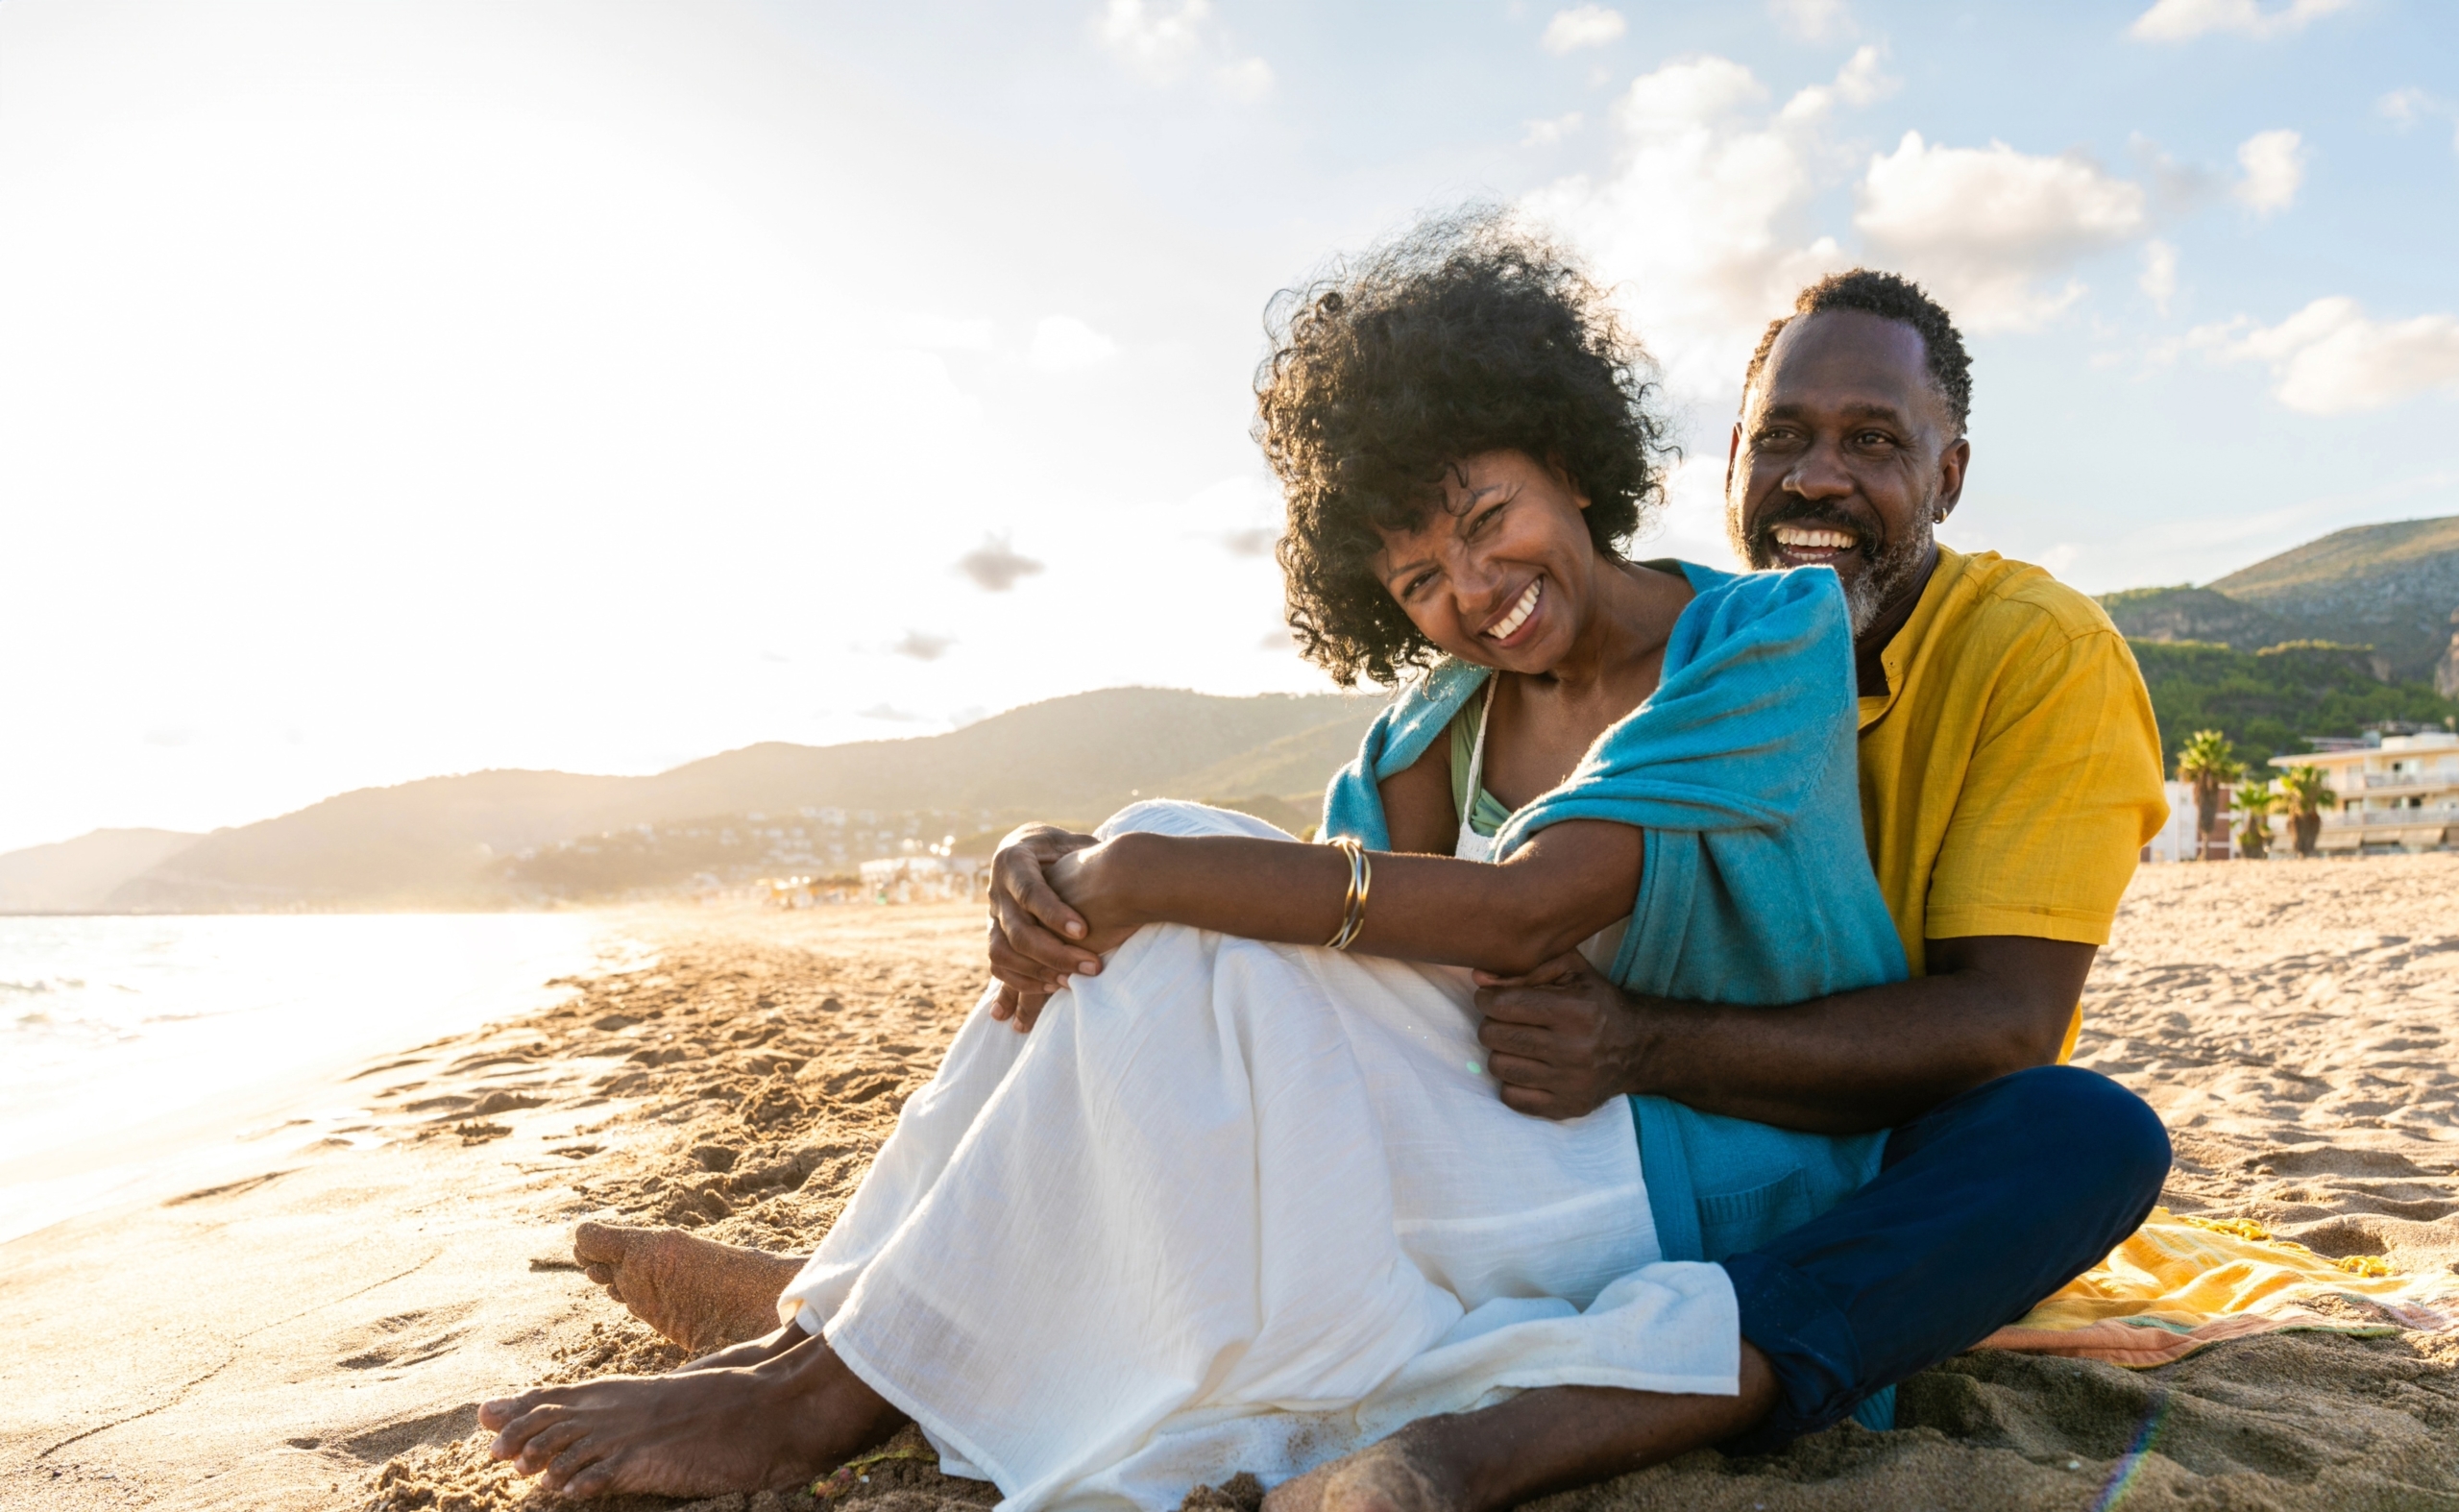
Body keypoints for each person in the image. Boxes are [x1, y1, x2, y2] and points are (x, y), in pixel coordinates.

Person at [502, 246, 2170, 1508]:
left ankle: (848, 1363)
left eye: (1487, 516)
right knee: (1172, 937)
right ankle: (843, 1328)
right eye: (1420, 570)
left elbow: (1534, 921)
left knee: (2087, 1130)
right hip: (1523, 1131)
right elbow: (1323, 988)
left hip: (1725, 1153)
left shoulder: (1778, 634)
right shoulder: (1434, 717)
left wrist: (1152, 857)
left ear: (1570, 462)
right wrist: (1069, 868)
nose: (1476, 583)